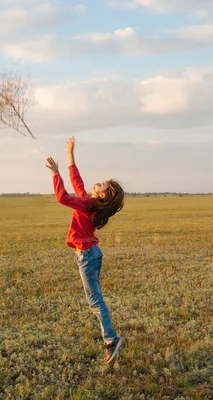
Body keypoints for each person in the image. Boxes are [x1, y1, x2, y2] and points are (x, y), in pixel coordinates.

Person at [45, 136, 125, 364]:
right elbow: (76, 179)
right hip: (92, 254)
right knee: (95, 299)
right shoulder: (89, 201)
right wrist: (70, 153)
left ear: (102, 196)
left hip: (88, 256)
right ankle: (110, 338)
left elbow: (61, 197)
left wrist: (54, 173)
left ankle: (112, 339)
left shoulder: (89, 204)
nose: (97, 183)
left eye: (101, 186)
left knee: (95, 301)